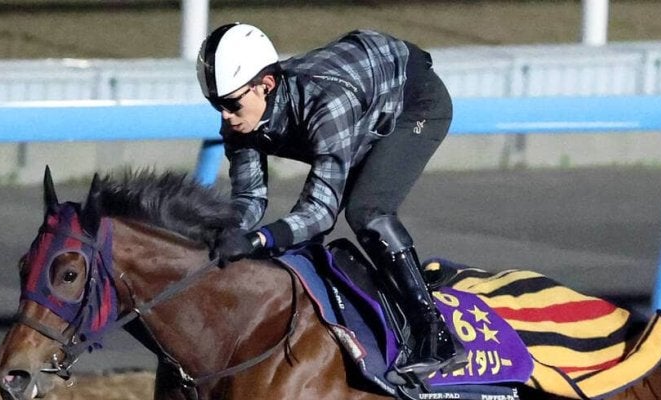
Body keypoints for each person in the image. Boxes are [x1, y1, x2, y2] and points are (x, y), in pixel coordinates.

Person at [196, 22, 465, 379]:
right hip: (363, 98)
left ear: (267, 85)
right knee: (299, 236)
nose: (226, 118)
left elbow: (321, 210)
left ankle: (435, 333)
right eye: (217, 106)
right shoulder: (242, 117)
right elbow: (248, 197)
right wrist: (228, 233)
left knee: (367, 210)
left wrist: (260, 239)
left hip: (413, 102)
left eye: (231, 104)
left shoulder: (327, 103)